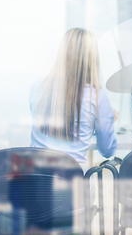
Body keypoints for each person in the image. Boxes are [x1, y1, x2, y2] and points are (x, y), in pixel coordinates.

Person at [30, 28, 117, 169]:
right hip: (71, 184)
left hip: (35, 182)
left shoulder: (37, 89)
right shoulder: (96, 97)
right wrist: (107, 120)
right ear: (92, 58)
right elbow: (107, 150)